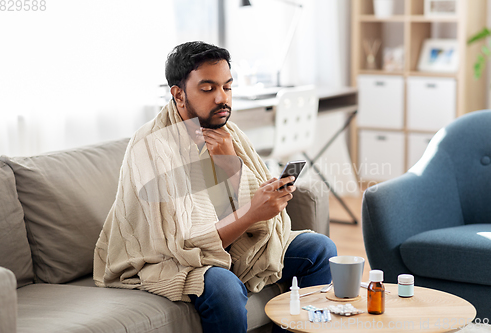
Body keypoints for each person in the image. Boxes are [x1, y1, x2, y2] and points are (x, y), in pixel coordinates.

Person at [93, 41, 337, 333]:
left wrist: (230, 164)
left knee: (320, 249)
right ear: (178, 94)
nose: (223, 98)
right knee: (223, 285)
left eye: (228, 87)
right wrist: (252, 213)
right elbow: (181, 245)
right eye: (208, 89)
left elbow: (236, 206)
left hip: (223, 244)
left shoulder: (227, 132)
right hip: (167, 258)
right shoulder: (152, 147)